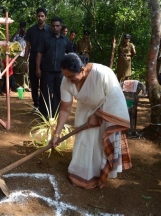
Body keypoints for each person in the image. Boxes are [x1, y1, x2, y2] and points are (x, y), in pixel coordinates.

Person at [50, 53, 132, 189]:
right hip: (84, 111)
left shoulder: (103, 73)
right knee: (84, 142)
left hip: (107, 111)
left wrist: (98, 114)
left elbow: (115, 99)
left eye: (71, 76)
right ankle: (83, 175)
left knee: (100, 144)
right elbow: (65, 109)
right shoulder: (66, 81)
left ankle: (99, 174)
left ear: (82, 70)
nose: (68, 80)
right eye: (65, 76)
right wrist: (57, 134)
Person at [36, 17, 73, 119]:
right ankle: (44, 114)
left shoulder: (66, 41)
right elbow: (39, 54)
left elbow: (71, 56)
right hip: (46, 71)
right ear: (50, 26)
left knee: (58, 93)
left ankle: (55, 114)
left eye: (57, 26)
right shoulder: (45, 38)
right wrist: (37, 68)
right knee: (45, 92)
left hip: (61, 72)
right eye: (53, 26)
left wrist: (70, 71)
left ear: (61, 27)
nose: (55, 28)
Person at [24, 7, 51, 113]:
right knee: (34, 83)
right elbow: (27, 46)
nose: (40, 18)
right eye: (38, 16)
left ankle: (44, 106)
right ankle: (36, 105)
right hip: (33, 59)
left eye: (42, 16)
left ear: (45, 17)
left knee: (45, 83)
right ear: (36, 17)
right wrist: (25, 61)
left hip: (46, 60)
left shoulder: (50, 30)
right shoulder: (31, 30)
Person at [11, 21, 30, 91]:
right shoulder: (17, 35)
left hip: (26, 55)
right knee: (17, 70)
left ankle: (26, 86)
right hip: (18, 55)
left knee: (25, 70)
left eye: (24, 27)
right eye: (21, 27)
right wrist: (15, 33)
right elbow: (11, 41)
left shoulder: (28, 35)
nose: (23, 29)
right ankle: (18, 85)